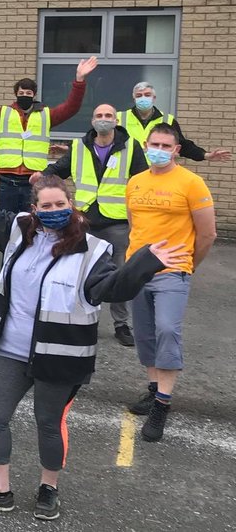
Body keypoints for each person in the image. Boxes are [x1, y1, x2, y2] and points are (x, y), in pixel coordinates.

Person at [0, 136, 184, 521]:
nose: (54, 210)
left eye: (60, 204)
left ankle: (49, 488)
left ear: (71, 205)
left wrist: (146, 262)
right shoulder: (18, 232)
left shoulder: (92, 251)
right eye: (46, 206)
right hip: (10, 348)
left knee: (48, 422)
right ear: (35, 209)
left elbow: (113, 289)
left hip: (60, 356)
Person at [123, 123, 217, 442]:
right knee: (145, 334)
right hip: (137, 272)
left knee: (166, 330)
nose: (159, 150)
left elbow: (207, 234)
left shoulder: (191, 183)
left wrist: (188, 265)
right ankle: (154, 389)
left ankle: (162, 405)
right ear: (145, 145)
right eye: (155, 144)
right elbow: (135, 225)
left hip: (173, 272)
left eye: (166, 146)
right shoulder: (135, 182)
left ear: (176, 150)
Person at [37, 104, 148, 346]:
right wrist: (41, 175)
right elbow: (59, 169)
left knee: (119, 274)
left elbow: (143, 180)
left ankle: (121, 324)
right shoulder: (80, 146)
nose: (103, 119)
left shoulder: (130, 147)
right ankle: (76, 317)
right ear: (92, 120)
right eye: (99, 115)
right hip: (84, 220)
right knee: (76, 271)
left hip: (116, 222)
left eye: (108, 115)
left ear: (116, 120)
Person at [0, 53, 97, 214]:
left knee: (34, 222)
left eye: (28, 94)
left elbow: (71, 107)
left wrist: (79, 80)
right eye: (21, 93)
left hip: (35, 180)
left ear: (34, 95)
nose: (24, 96)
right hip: (7, 181)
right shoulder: (3, 114)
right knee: (7, 223)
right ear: (16, 94)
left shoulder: (46, 115)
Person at [118, 82, 230, 161]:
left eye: (147, 95)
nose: (143, 98)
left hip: (157, 172)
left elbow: (183, 145)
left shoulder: (168, 120)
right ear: (134, 99)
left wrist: (205, 155)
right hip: (129, 173)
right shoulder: (119, 118)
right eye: (139, 95)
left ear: (154, 98)